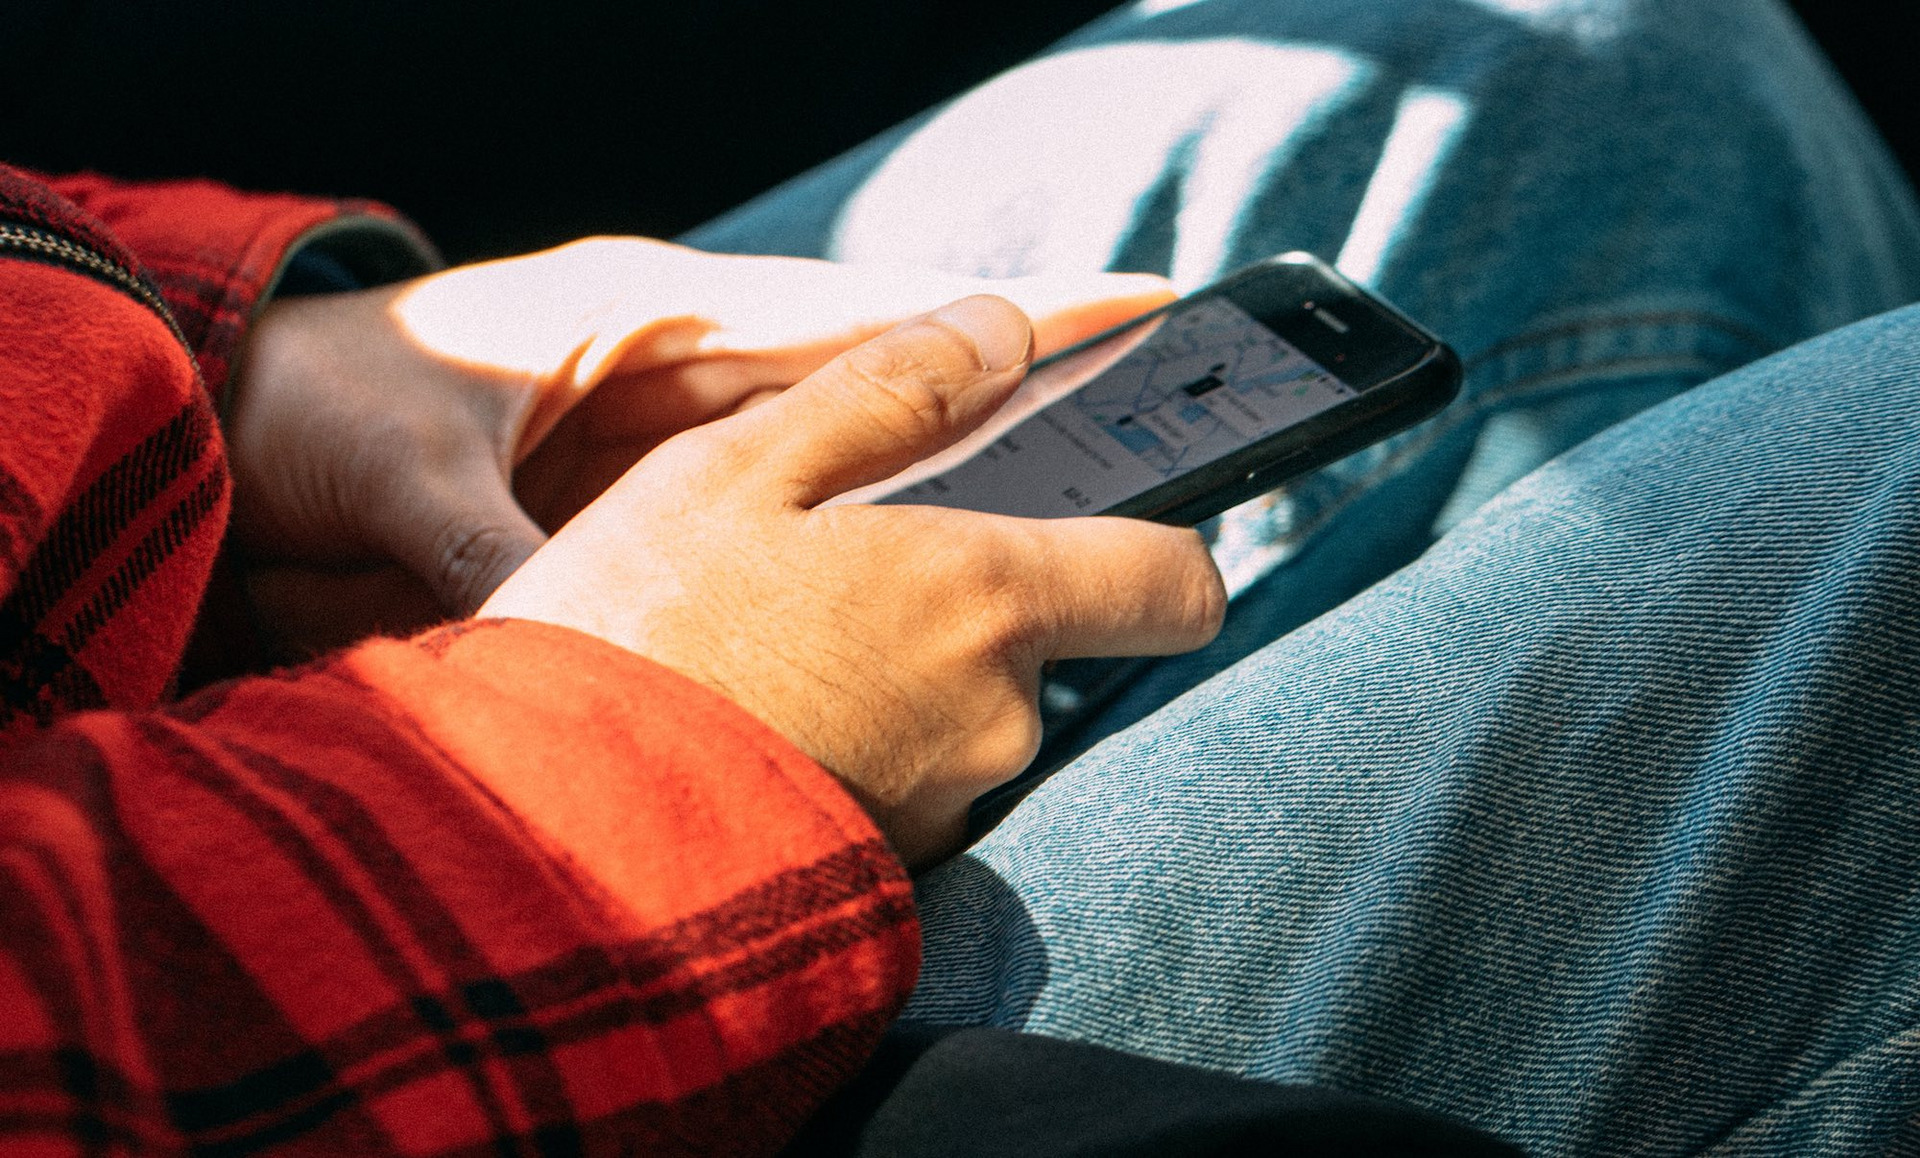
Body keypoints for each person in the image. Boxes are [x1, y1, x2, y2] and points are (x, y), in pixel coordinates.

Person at [3, 2, 1917, 1157]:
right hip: (422, 986)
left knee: (1613, 82)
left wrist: (214, 350)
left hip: (188, 703)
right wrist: (636, 746)